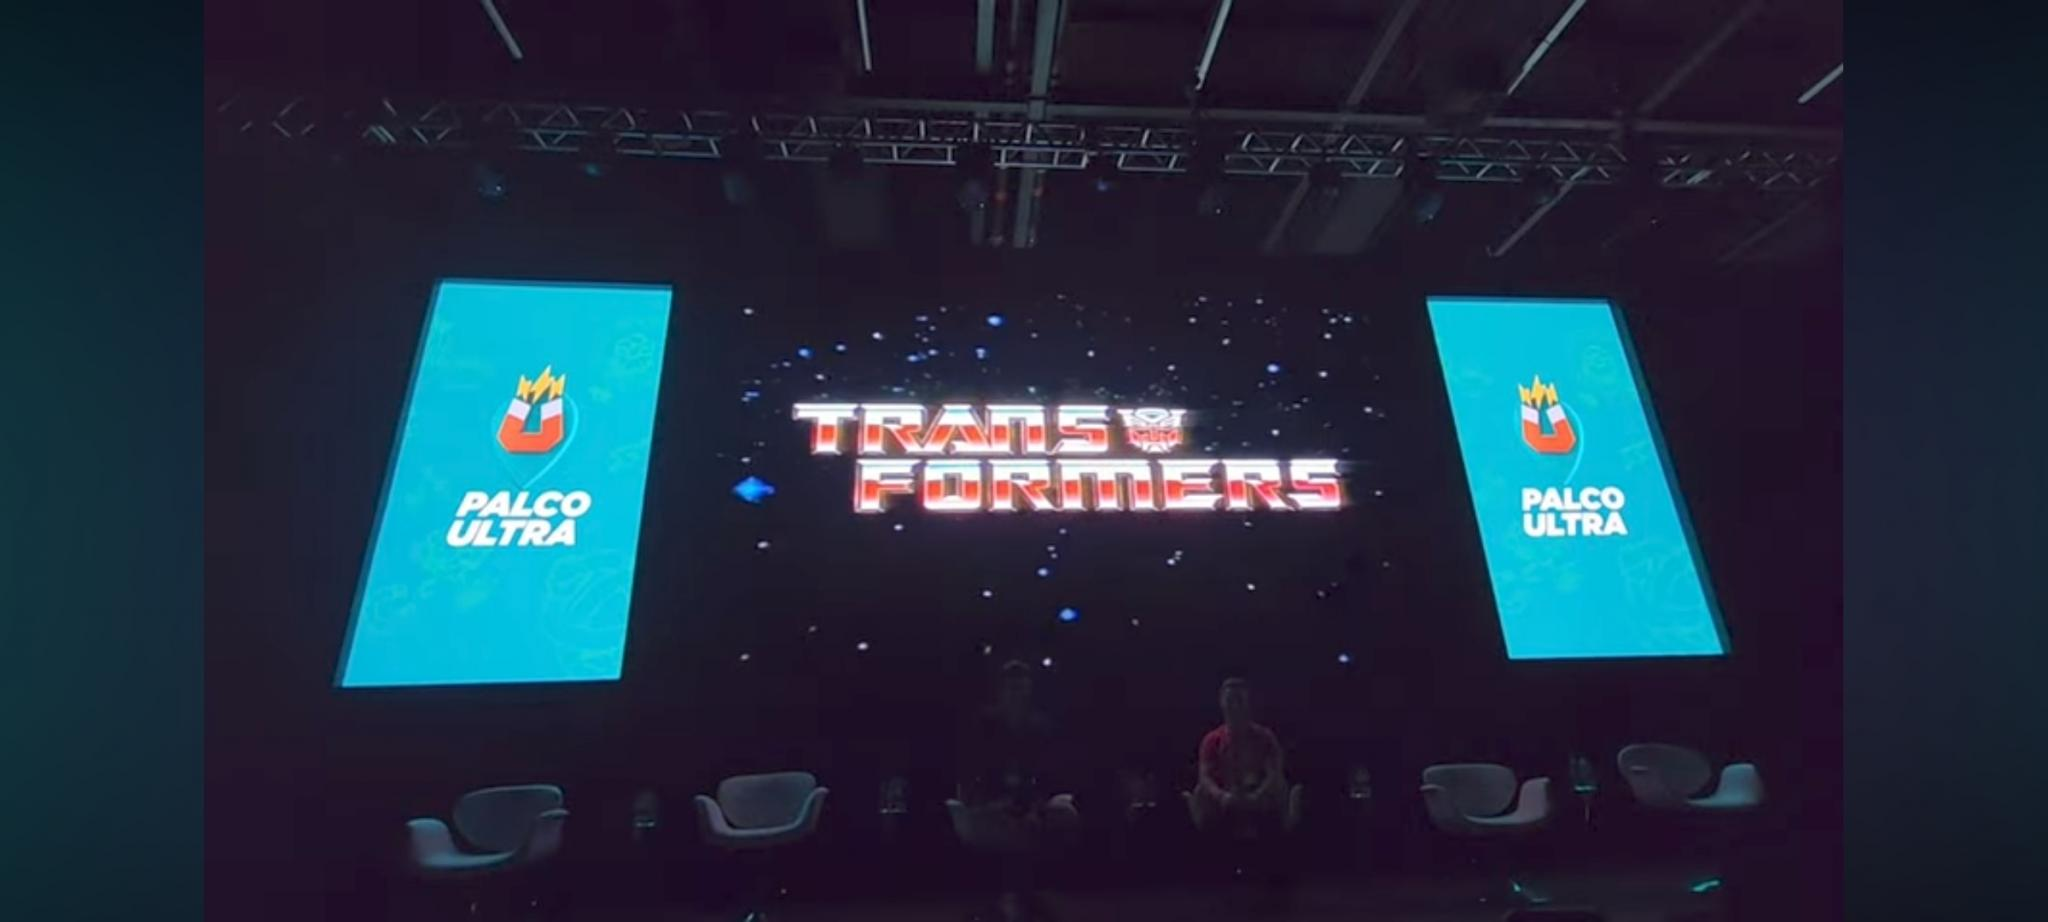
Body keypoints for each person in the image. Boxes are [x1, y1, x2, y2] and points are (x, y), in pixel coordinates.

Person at [957, 660, 1078, 921]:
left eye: (1021, 688)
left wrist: (1035, 805)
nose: (1017, 695)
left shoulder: (1040, 727)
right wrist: (987, 800)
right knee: (1008, 828)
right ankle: (1013, 897)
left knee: (1050, 820)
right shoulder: (983, 725)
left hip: (1030, 801)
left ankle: (1022, 897)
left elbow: (1049, 775)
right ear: (1001, 690)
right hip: (990, 801)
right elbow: (971, 769)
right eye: (1011, 688)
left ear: (1029, 690)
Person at [1190, 677, 1296, 839]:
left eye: (1239, 700)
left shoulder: (1265, 737)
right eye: (1229, 700)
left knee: (1282, 787)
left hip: (1258, 794)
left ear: (1247, 703)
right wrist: (1222, 796)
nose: (1234, 706)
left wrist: (1257, 795)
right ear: (1222, 703)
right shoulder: (1212, 740)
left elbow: (1274, 773)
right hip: (1225, 796)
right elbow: (1205, 777)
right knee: (1200, 793)